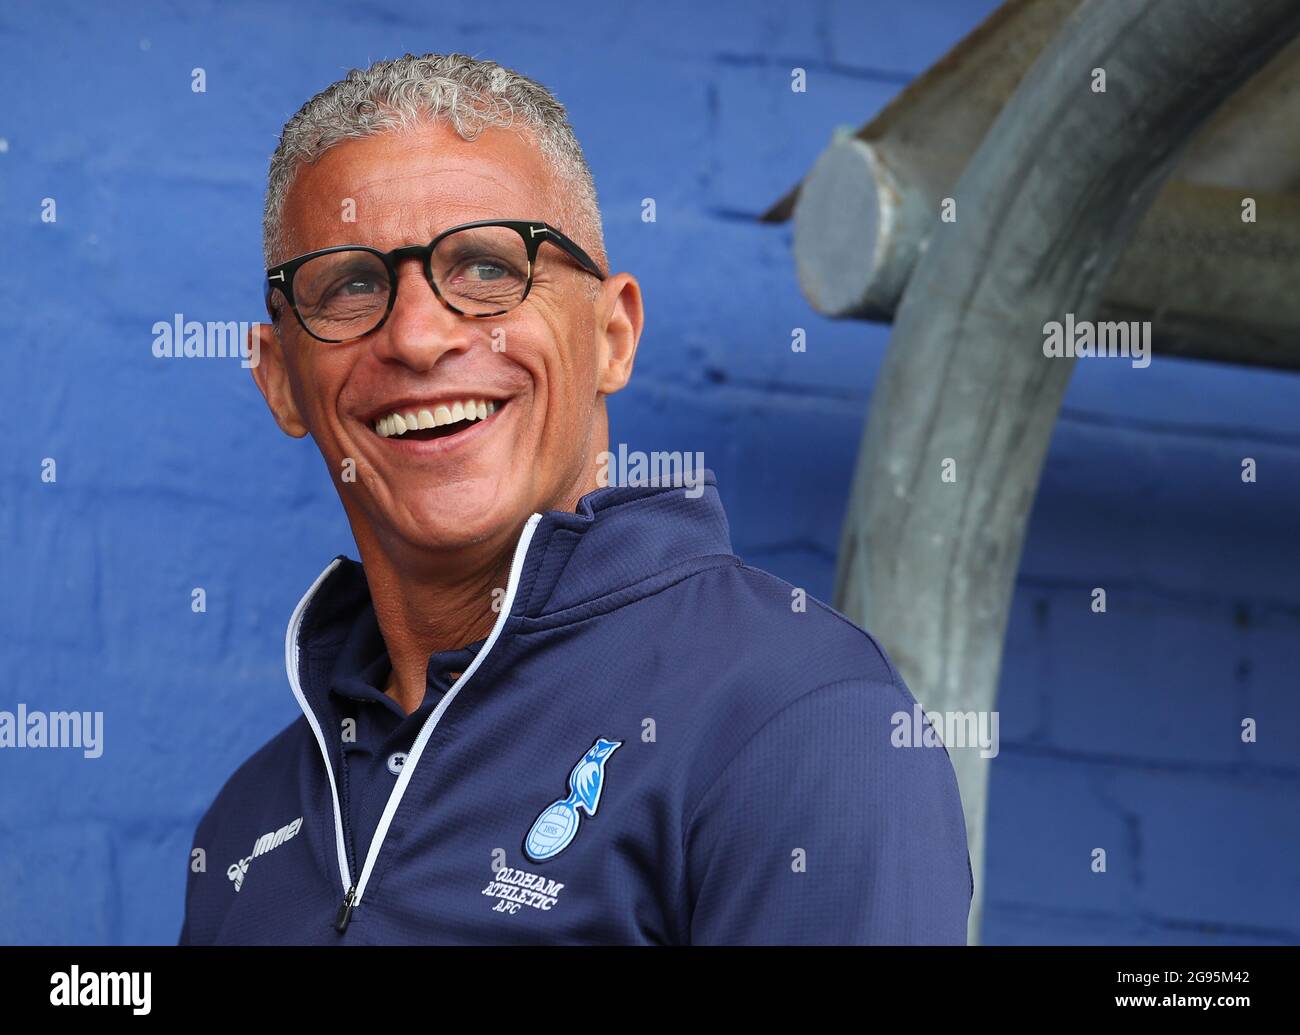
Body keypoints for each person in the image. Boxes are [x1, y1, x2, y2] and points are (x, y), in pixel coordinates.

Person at [178, 52, 972, 945]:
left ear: (613, 336)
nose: (417, 335)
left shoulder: (800, 722)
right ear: (281, 378)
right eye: (351, 284)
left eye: (485, 266)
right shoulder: (245, 826)